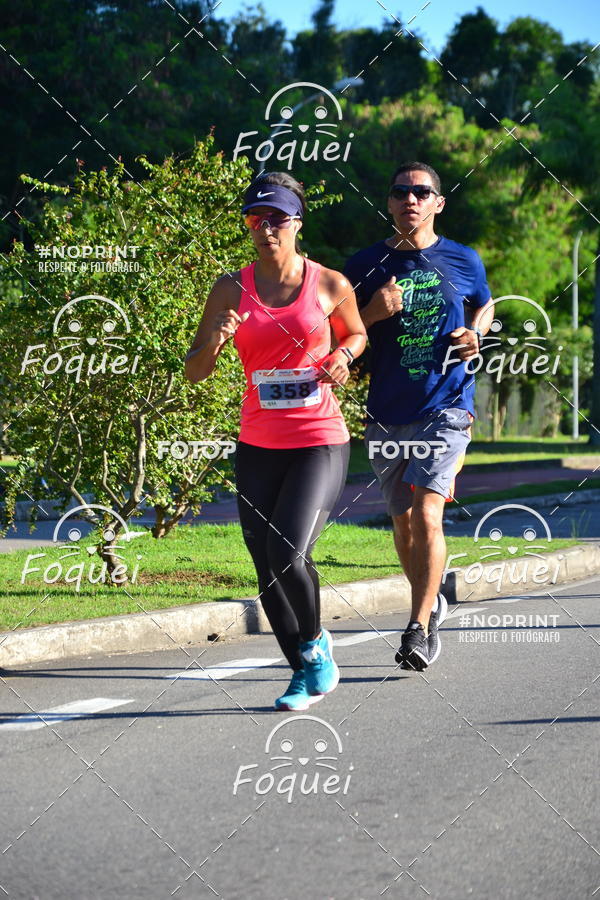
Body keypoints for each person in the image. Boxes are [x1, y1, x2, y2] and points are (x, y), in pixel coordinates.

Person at [185, 172, 366, 710]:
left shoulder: (329, 283)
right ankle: (303, 672)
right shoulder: (230, 288)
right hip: (259, 443)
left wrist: (342, 356)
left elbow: (357, 333)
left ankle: (316, 646)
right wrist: (215, 343)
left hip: (318, 439)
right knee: (265, 566)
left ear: (297, 223)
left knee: (287, 550)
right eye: (255, 219)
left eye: (277, 219)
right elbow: (194, 371)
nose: (266, 229)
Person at [343, 161, 494, 671]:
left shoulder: (463, 259)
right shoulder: (364, 265)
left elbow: (485, 305)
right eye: (401, 191)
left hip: (446, 406)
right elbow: (335, 332)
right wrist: (371, 312)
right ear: (389, 203)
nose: (411, 199)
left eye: (422, 192)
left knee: (428, 512)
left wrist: (477, 333)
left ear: (438, 203)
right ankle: (430, 604)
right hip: (386, 412)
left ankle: (418, 628)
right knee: (403, 522)